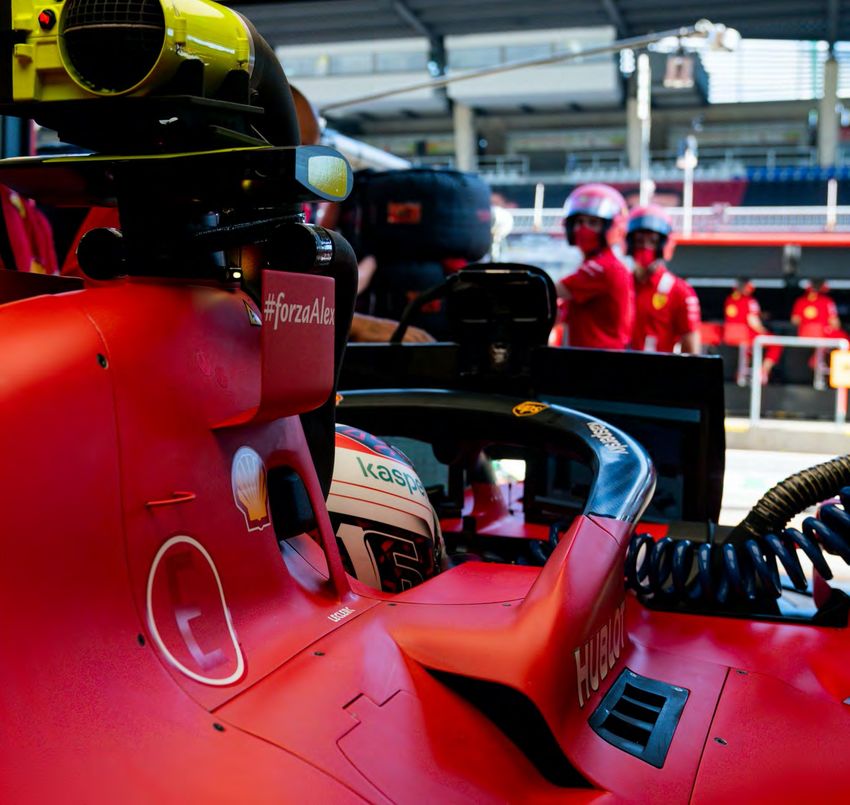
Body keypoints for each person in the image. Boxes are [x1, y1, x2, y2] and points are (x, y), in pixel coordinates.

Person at [555, 183, 633, 350]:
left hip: (599, 360)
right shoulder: (594, 266)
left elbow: (551, 290)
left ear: (609, 227)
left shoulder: (603, 267)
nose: (583, 229)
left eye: (593, 222)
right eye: (579, 222)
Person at [627, 205, 701, 354]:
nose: (645, 247)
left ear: (663, 246)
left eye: (653, 241)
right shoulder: (620, 284)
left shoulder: (679, 291)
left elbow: (692, 349)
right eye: (639, 241)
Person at [723, 278, 781, 383]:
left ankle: (741, 372)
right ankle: (763, 372)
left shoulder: (729, 299)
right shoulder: (750, 300)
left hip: (730, 336)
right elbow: (753, 321)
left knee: (748, 348)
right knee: (776, 342)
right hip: (746, 336)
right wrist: (764, 331)